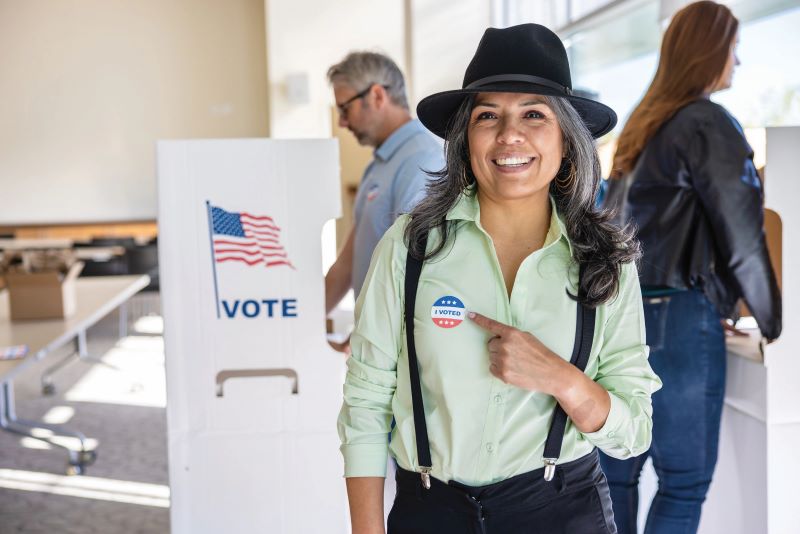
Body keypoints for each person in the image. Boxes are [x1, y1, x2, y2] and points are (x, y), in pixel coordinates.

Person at [337, 23, 662, 534]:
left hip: (561, 510)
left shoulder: (605, 260)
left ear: (566, 140)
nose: (510, 134)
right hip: (430, 511)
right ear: (466, 137)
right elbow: (365, 403)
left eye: (534, 114)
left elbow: (633, 433)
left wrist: (562, 378)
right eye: (489, 116)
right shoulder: (412, 246)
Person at [600, 2, 782, 533]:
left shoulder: (643, 126)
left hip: (626, 316)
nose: (738, 64)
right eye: (734, 50)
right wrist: (773, 326)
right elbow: (742, 234)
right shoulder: (705, 122)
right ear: (710, 51)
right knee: (682, 485)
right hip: (680, 323)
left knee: (617, 479)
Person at [325, 52, 443, 332]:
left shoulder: (421, 160)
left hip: (397, 341)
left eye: (345, 109)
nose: (342, 122)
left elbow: (410, 265)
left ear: (377, 95)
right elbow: (348, 261)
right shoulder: (380, 164)